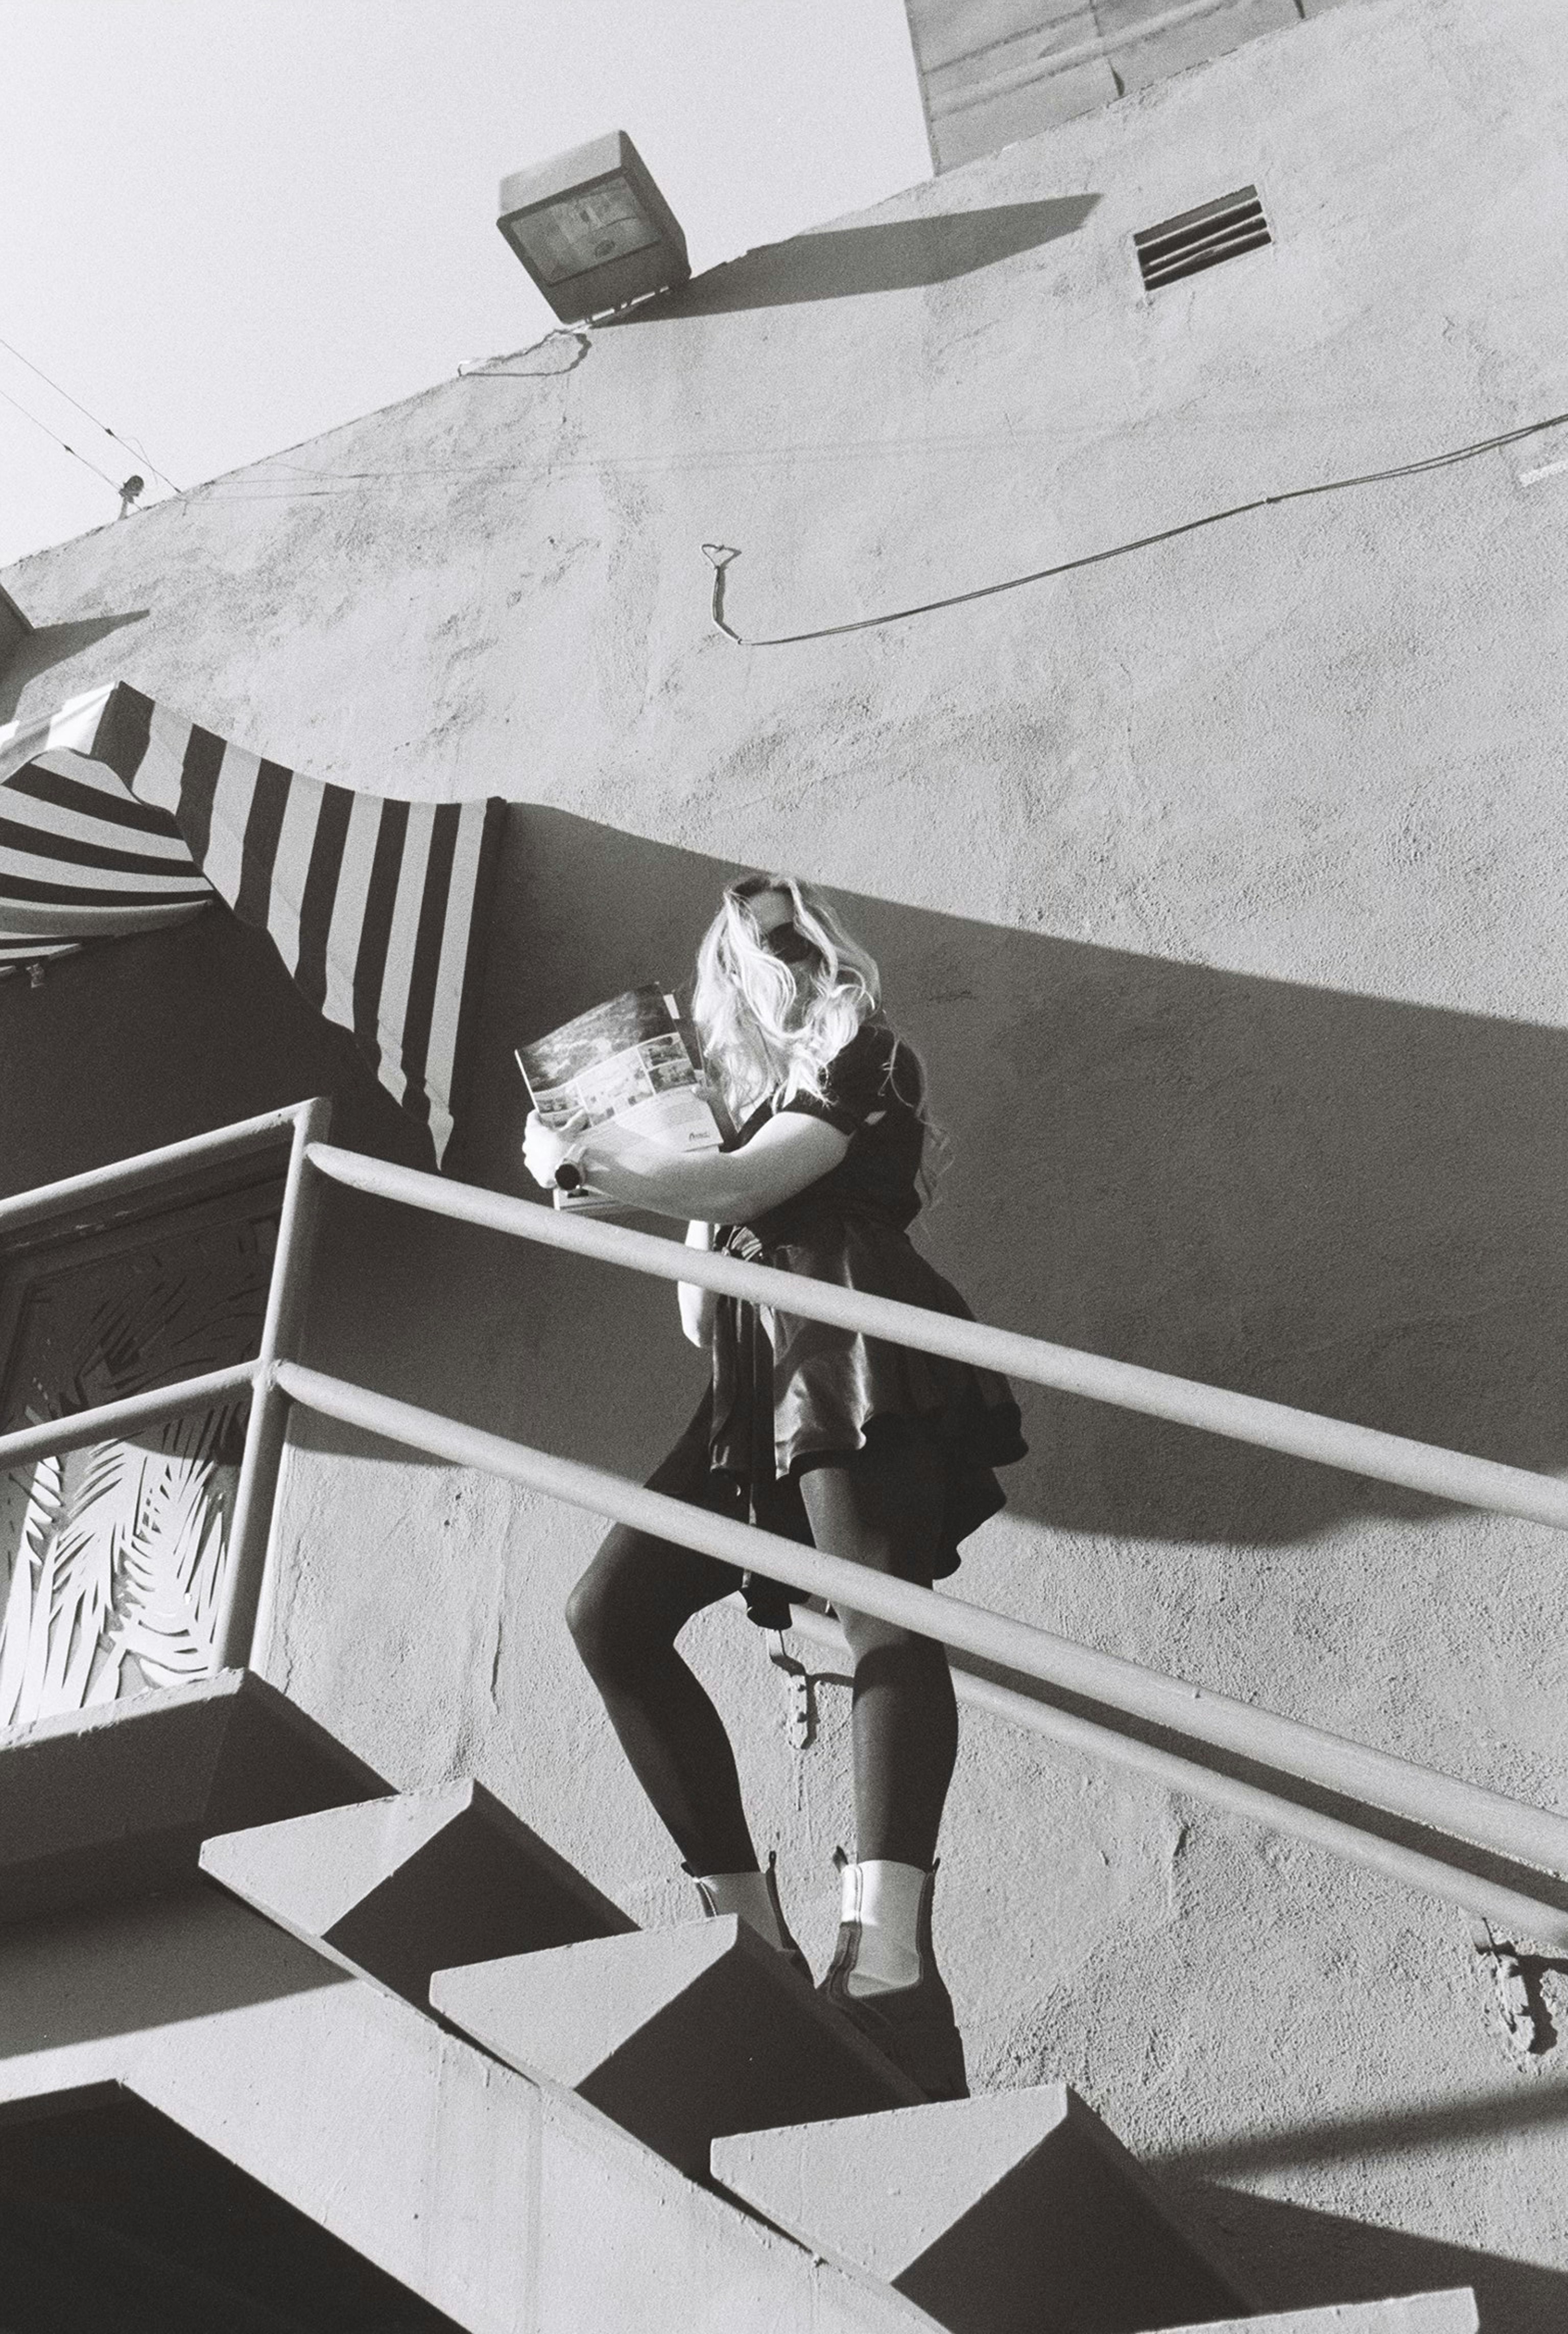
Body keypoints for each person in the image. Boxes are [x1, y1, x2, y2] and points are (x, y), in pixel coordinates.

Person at [522, 875, 1026, 2099]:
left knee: (876, 1614)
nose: (784, 958)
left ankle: (890, 1952)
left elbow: (758, 1192)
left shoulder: (863, 1053)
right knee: (612, 1613)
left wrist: (609, 1170)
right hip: (759, 1369)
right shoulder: (732, 1117)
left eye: (794, 931)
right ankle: (749, 1931)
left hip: (848, 1325)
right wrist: (642, 1157)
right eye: (757, 942)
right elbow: (700, 1308)